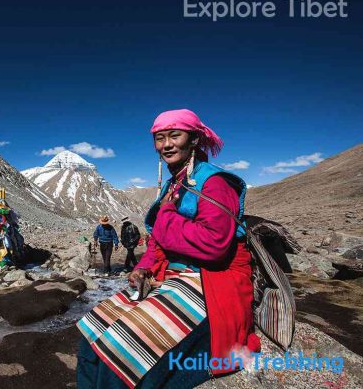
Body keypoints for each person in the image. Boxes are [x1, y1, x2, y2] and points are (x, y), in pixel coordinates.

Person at [76, 109, 260, 388]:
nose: (167, 144)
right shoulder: (176, 184)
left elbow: (214, 245)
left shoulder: (215, 183)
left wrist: (166, 216)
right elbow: (159, 242)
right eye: (160, 138)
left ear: (194, 139)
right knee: (92, 328)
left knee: (124, 346)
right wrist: (142, 267)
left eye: (175, 135)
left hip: (211, 281)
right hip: (173, 276)